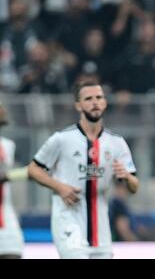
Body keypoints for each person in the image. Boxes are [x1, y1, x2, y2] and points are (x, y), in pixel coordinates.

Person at [27, 81, 139, 259]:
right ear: (78, 105)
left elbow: (134, 187)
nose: (95, 102)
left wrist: (127, 177)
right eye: (88, 99)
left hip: (101, 230)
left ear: (105, 102)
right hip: (69, 224)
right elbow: (33, 169)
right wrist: (60, 187)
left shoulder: (117, 142)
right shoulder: (62, 139)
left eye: (99, 97)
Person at [0, 103, 25, 259]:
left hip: (6, 214)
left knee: (13, 252)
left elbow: (6, 175)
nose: (4, 111)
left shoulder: (8, 145)